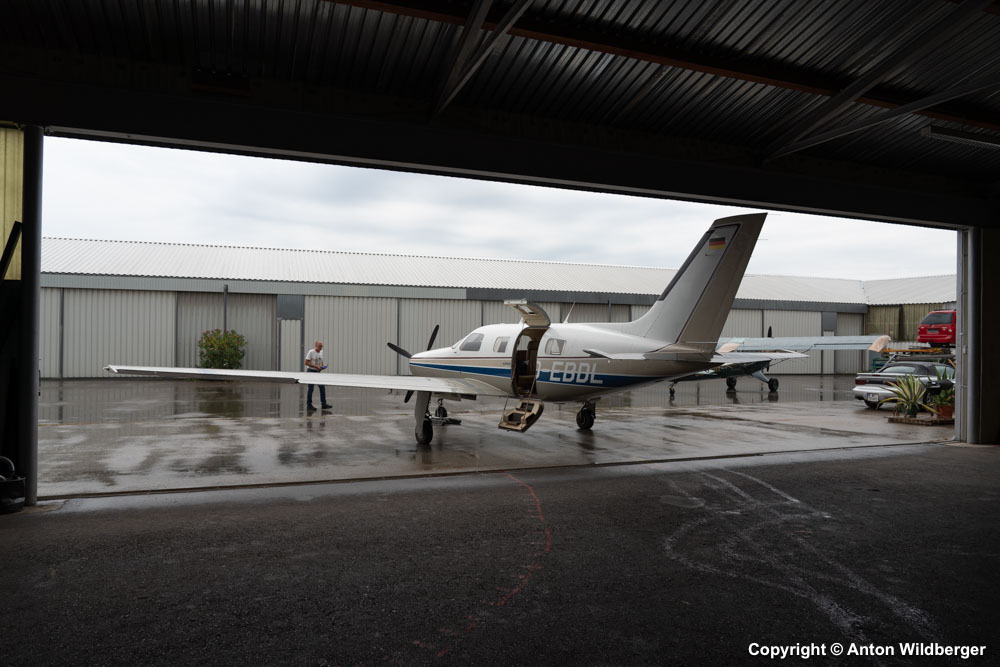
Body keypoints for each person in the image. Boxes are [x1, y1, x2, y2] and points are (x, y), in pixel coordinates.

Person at [304, 341, 332, 410]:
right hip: (311, 371)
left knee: (322, 387)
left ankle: (324, 404)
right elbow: (306, 362)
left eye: (321, 346)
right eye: (319, 346)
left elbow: (321, 361)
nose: (321, 348)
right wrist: (315, 366)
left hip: (317, 371)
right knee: (311, 388)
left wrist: (322, 366)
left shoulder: (321, 352)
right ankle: (309, 405)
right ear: (316, 346)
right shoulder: (311, 352)